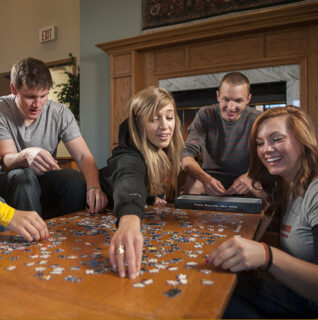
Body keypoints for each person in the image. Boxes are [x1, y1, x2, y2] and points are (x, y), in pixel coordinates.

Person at [207, 106, 318, 318]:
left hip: (309, 306)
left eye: (277, 139)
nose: (266, 149)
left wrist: (267, 256)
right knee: (217, 283)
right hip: (287, 290)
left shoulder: (317, 191)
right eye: (260, 143)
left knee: (213, 297)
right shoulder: (290, 186)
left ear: (303, 141)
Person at [0, 57, 107, 218]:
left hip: (43, 178)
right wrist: (26, 155)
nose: (37, 104)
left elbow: (84, 156)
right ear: (14, 89)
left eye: (43, 96)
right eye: (30, 97)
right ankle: (32, 238)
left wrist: (94, 187)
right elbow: (6, 161)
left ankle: (69, 234)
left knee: (75, 179)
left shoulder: (60, 113)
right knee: (24, 177)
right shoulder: (2, 110)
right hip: (11, 179)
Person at [100, 86, 184, 280]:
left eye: (169, 117)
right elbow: (129, 177)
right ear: (139, 125)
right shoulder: (128, 156)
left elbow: (142, 181)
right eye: (154, 119)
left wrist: (150, 196)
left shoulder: (161, 151)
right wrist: (129, 218)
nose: (164, 126)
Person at [181, 72, 262, 197]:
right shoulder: (205, 114)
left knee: (264, 191)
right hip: (210, 177)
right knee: (192, 184)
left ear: (248, 99)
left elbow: (268, 158)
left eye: (238, 101)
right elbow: (186, 156)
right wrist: (205, 179)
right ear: (218, 96)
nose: (231, 107)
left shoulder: (257, 120)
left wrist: (251, 176)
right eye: (226, 99)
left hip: (245, 177)